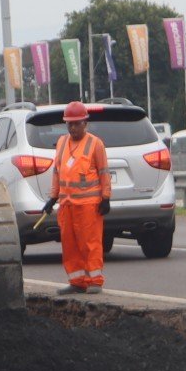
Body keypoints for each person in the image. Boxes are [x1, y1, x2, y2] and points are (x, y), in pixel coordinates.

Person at [44, 99, 108, 294]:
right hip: (67, 204)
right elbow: (57, 171)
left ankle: (94, 280)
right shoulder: (62, 143)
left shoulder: (95, 144)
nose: (72, 127)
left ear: (85, 123)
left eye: (76, 123)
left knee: (89, 242)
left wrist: (106, 198)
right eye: (69, 123)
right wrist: (53, 198)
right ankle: (77, 281)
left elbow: (103, 172)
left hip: (88, 205)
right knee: (70, 245)